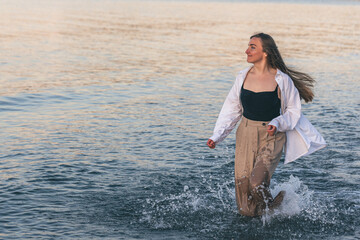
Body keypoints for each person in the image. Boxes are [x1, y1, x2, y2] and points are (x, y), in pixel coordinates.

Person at [207, 33, 326, 217]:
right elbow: (232, 109)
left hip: (271, 135)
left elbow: (293, 111)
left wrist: (278, 123)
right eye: (248, 46)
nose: (247, 50)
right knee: (245, 209)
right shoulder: (242, 77)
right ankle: (269, 211)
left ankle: (274, 208)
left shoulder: (282, 80)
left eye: (252, 47)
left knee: (256, 183)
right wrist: (217, 136)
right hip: (245, 133)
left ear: (266, 53)